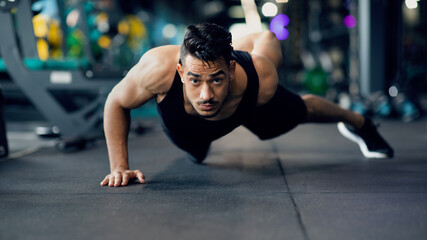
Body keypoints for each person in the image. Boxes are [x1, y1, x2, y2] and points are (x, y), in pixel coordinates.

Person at [100, 23, 393, 187]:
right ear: (180, 72)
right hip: (184, 128)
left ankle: (360, 122)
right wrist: (119, 167)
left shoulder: (260, 76)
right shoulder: (157, 69)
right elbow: (115, 102)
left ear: (230, 69)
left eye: (216, 79)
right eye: (194, 80)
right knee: (196, 154)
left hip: (243, 107)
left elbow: (265, 36)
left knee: (303, 110)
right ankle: (198, 139)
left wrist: (237, 46)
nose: (205, 95)